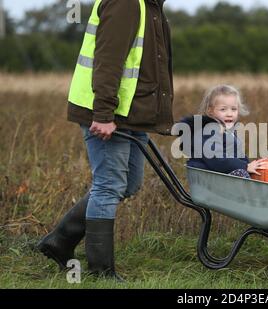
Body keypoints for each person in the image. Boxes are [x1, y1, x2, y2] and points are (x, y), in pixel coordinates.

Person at [37, 0, 174, 280]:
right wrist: (103, 113)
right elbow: (107, 60)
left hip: (130, 111)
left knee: (129, 183)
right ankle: (101, 271)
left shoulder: (151, 7)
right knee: (108, 186)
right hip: (106, 113)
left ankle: (59, 241)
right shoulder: (125, 3)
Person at [179, 85, 265, 178]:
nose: (229, 114)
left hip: (222, 176)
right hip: (208, 178)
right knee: (243, 174)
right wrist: (245, 166)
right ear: (210, 111)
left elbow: (238, 155)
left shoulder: (228, 131)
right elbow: (216, 158)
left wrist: (250, 165)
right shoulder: (209, 131)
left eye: (233, 109)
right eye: (223, 109)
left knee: (261, 172)